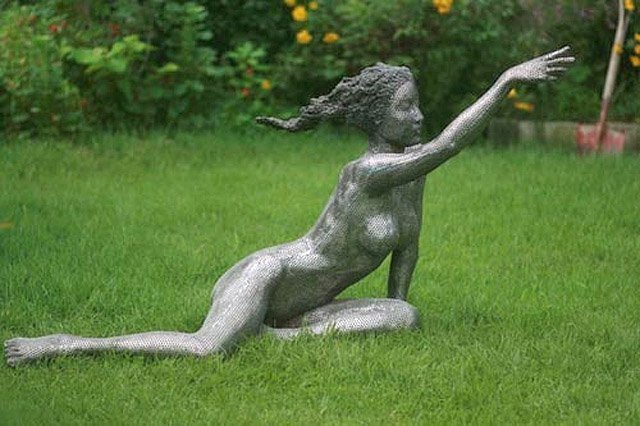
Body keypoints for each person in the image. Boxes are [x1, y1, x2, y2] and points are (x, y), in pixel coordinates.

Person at [4, 47, 574, 366]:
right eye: (405, 109)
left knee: (406, 317)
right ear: (376, 119)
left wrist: (392, 305)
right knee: (208, 351)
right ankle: (68, 345)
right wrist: (504, 82)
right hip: (271, 277)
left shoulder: (409, 177)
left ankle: (275, 337)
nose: (418, 117)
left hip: (308, 306)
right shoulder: (366, 171)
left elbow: (408, 247)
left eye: (417, 105)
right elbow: (447, 145)